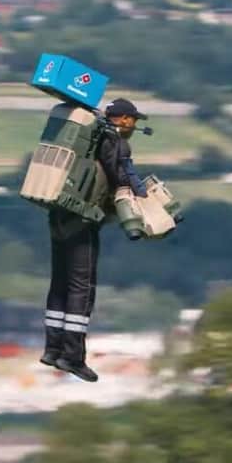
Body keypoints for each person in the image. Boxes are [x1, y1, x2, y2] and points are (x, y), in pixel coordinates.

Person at [40, 97, 149, 382]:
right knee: (82, 287)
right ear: (124, 119)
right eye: (133, 120)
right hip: (82, 218)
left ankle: (52, 349)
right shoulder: (114, 140)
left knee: (60, 283)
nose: (134, 125)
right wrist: (140, 194)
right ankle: (73, 357)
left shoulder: (86, 133)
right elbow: (120, 175)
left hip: (58, 214)